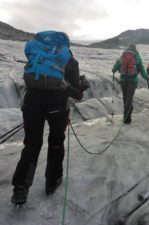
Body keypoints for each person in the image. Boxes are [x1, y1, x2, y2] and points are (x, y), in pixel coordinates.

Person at [11, 31, 89, 205]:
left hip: (31, 101)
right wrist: (82, 87)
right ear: (66, 44)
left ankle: (20, 188)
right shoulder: (68, 57)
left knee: (31, 144)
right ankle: (52, 182)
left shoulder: (35, 50)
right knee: (55, 142)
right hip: (57, 105)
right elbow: (76, 91)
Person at [112, 44, 148, 124]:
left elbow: (116, 65)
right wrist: (146, 77)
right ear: (135, 49)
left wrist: (113, 70)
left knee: (125, 98)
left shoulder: (123, 56)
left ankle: (127, 112)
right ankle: (127, 118)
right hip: (132, 81)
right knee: (129, 99)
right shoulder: (137, 57)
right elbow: (141, 69)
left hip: (123, 81)